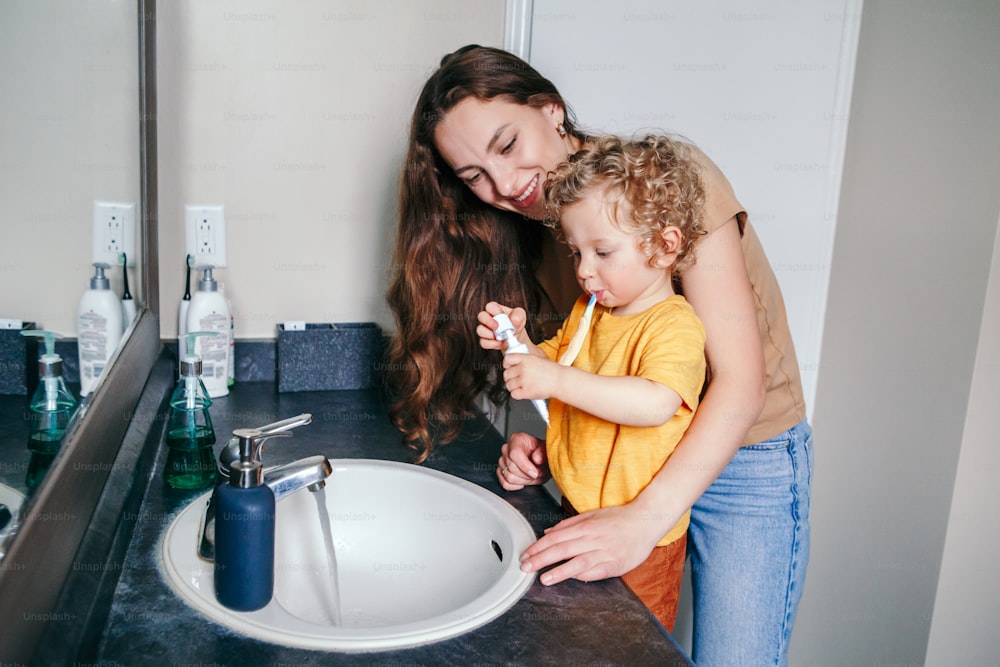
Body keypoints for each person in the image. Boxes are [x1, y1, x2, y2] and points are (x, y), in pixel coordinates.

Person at [386, 45, 813, 666]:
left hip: (746, 453)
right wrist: (551, 443)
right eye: (474, 175)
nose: (503, 186)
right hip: (629, 453)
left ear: (551, 110)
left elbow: (740, 385)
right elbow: (587, 365)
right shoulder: (530, 231)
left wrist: (645, 519)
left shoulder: (664, 186)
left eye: (506, 145)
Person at [478, 134, 707, 631]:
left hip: (643, 541)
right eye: (577, 251)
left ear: (665, 247)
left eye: (602, 251)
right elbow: (550, 369)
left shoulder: (674, 325)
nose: (584, 271)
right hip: (575, 510)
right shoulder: (591, 313)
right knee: (577, 639)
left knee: (626, 645)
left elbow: (654, 404)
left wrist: (554, 376)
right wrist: (515, 340)